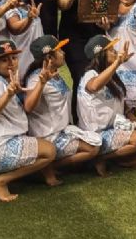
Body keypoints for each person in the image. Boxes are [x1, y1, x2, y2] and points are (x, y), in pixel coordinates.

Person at [0, 41, 56, 202]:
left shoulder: (3, 81)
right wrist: (8, 95)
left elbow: (27, 108)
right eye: (4, 60)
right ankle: (0, 180)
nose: (11, 63)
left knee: (34, 140)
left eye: (14, 58)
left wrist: (41, 83)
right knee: (49, 151)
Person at [22, 36, 101, 186]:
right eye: (60, 50)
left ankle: (47, 166)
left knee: (89, 151)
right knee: (92, 149)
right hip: (47, 135)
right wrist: (41, 83)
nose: (64, 53)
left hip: (61, 131)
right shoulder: (36, 78)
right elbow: (28, 107)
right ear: (49, 57)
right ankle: (44, 166)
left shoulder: (56, 73)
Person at [77, 35, 136, 177]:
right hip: (96, 135)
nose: (115, 52)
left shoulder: (111, 75)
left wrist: (131, 115)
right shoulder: (90, 74)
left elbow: (119, 99)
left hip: (112, 129)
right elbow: (94, 86)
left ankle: (107, 158)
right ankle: (99, 158)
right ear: (100, 55)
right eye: (110, 50)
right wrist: (117, 63)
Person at [59, 0, 111, 117]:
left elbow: (106, 7)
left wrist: (105, 23)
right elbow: (64, 5)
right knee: (81, 78)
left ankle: (96, 119)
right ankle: (79, 121)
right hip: (73, 37)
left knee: (97, 77)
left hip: (95, 35)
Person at [1, 0, 44, 81]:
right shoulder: (10, 9)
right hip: (24, 61)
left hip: (34, 58)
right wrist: (29, 18)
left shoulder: (24, 5)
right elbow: (14, 27)